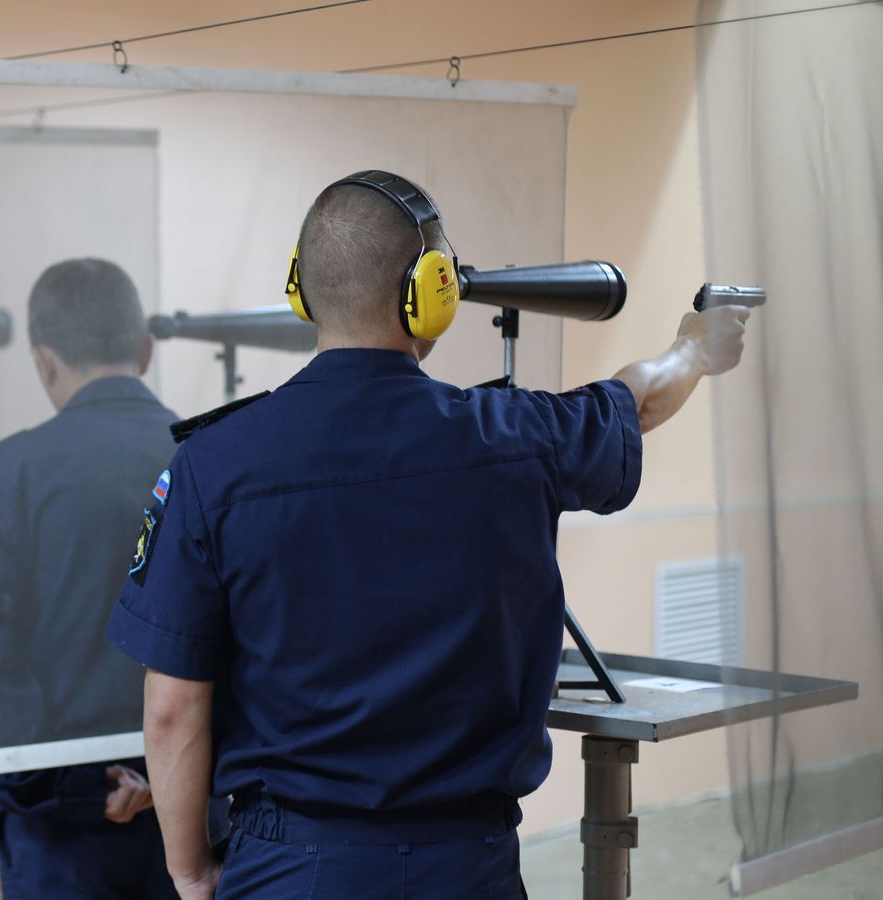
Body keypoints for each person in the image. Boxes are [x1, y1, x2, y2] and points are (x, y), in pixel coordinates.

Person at [107, 171, 753, 899]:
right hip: (467, 864)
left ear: (302, 288)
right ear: (434, 290)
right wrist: (695, 349)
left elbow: (170, 708)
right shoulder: (516, 437)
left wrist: (189, 870)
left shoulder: (211, 466)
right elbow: (634, 401)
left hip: (291, 864)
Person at [0, 258, 182, 899]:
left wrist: (72, 791)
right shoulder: (211, 459)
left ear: (44, 361)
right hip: (197, 829)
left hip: (65, 844)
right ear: (145, 349)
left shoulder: (7, 479)